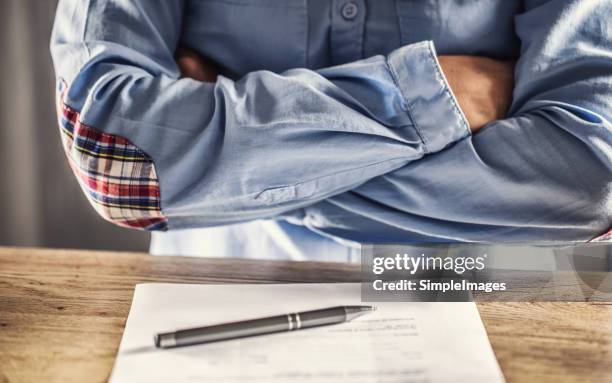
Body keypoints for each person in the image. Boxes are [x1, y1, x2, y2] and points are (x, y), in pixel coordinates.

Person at [51, 0, 611, 262]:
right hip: (220, 294)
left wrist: (234, 175)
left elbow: (593, 177)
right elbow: (115, 159)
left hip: (495, 300)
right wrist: (438, 92)